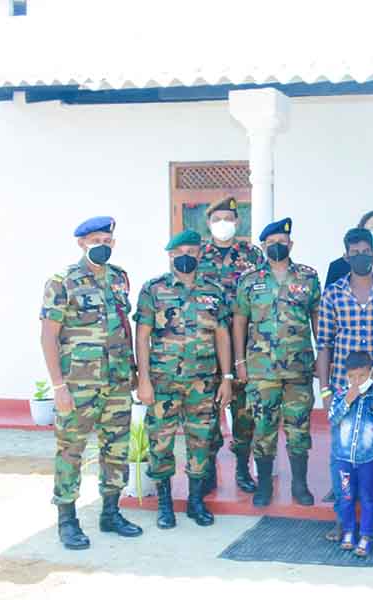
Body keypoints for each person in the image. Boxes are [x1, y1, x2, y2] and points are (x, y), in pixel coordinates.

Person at [40, 216, 142, 550]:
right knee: (70, 450)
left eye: (108, 241)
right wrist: (58, 386)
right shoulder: (62, 281)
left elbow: (124, 325)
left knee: (116, 449)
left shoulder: (119, 278)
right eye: (97, 240)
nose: (103, 245)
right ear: (81, 243)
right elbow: (48, 336)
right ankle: (67, 521)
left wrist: (135, 371)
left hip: (117, 381)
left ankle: (110, 513)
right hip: (79, 384)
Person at [134, 230, 234, 528]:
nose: (186, 256)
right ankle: (165, 504)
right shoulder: (154, 289)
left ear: (200, 254)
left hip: (202, 384)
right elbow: (142, 337)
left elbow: (222, 336)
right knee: (161, 444)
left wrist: (226, 377)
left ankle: (194, 501)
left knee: (200, 442)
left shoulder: (213, 291)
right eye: (180, 252)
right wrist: (143, 380)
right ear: (171, 255)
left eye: (192, 250)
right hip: (163, 383)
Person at [317, 227, 373, 543]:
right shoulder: (333, 294)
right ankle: (344, 521)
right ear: (346, 256)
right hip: (345, 391)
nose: (360, 257)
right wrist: (326, 390)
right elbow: (324, 344)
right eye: (354, 252)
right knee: (342, 458)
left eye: (365, 251)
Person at [233, 218, 321, 507]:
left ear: (290, 245)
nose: (277, 248)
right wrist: (239, 362)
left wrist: (322, 357)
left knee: (299, 427)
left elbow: (317, 318)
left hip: (299, 368)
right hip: (261, 369)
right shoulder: (249, 280)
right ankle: (264, 486)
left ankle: (299, 484)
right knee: (263, 427)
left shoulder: (308, 277)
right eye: (271, 244)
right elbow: (240, 321)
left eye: (282, 243)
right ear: (263, 247)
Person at [198, 196, 265, 495]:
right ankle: (209, 471)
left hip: (244, 346)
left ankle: (242, 469)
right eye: (217, 219)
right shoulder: (197, 255)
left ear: (237, 222)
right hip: (204, 347)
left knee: (244, 413)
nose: (223, 224)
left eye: (228, 219)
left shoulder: (253, 255)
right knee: (206, 413)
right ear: (209, 224)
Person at [328, 351, 373, 557]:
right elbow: (333, 420)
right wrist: (347, 401)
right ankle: (349, 532)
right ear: (346, 376)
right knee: (346, 496)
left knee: (368, 497)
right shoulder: (339, 396)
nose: (356, 381)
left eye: (361, 376)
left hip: (368, 461)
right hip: (343, 461)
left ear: (371, 373)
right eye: (352, 376)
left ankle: (366, 535)